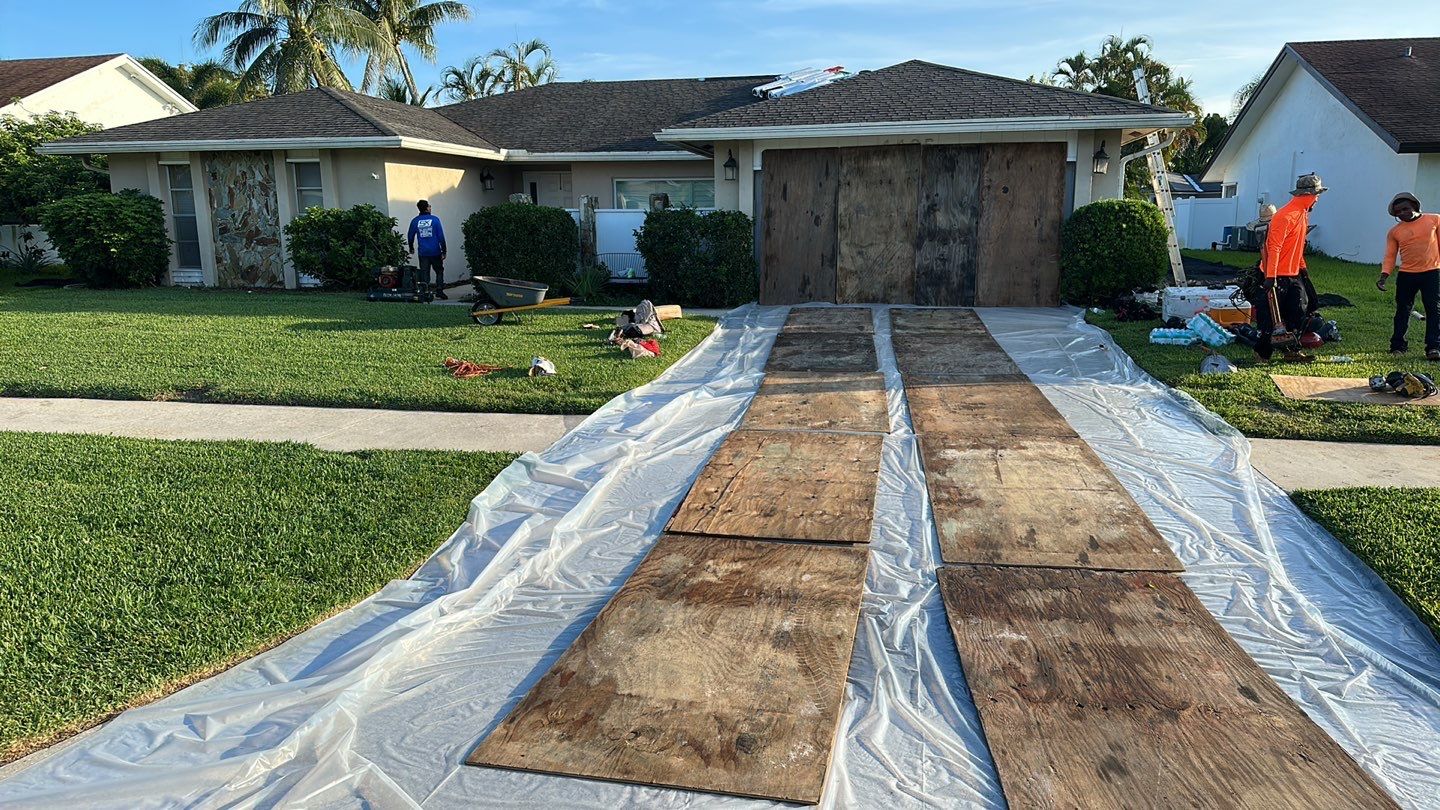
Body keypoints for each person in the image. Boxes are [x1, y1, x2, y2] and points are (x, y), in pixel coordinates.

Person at [1255, 172, 1326, 362]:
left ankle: (1291, 351)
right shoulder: (1285, 216)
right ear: (1307, 195)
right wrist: (1271, 276)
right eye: (1316, 195)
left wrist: (1302, 267)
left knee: (1298, 311)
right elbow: (1274, 247)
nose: (1317, 199)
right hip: (1276, 274)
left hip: (1293, 274)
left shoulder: (1302, 214)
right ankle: (1262, 354)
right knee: (1270, 317)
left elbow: (1298, 245)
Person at [1377, 191, 1440, 360]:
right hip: (1407, 275)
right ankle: (1398, 346)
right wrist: (1384, 275)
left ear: (1414, 206)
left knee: (1434, 310)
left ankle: (1433, 347)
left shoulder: (1434, 220)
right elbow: (1390, 256)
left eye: (1405, 209)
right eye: (1398, 212)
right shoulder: (1394, 232)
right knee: (1403, 310)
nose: (1402, 214)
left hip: (1432, 272)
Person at [407, 199, 448, 299]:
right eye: (429, 206)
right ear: (426, 208)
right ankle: (439, 291)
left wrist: (411, 247)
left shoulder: (415, 221)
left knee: (424, 272)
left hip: (423, 252)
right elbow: (441, 236)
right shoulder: (435, 220)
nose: (430, 208)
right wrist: (444, 250)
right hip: (435, 251)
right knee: (439, 271)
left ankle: (425, 292)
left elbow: (410, 236)